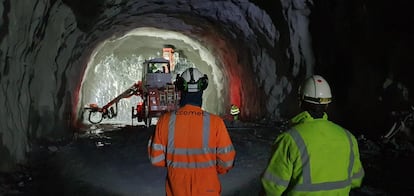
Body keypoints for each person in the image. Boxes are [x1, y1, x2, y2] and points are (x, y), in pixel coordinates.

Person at [261, 75, 364, 195]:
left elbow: (271, 189)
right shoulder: (348, 138)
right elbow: (356, 180)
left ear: (300, 102)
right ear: (327, 105)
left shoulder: (289, 140)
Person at [148, 67, 236, 196]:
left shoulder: (165, 121)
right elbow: (227, 161)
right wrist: (212, 170)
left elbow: (156, 159)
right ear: (201, 91)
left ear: (180, 90)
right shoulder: (216, 123)